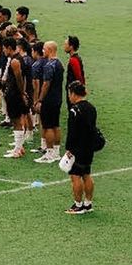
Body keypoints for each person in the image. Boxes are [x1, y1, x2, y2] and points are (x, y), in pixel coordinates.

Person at [64, 81, 97, 214]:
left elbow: (72, 132)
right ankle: (88, 204)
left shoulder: (74, 110)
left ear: (73, 93)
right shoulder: (91, 108)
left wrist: (69, 148)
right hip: (89, 146)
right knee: (87, 174)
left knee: (75, 176)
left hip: (78, 147)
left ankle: (78, 205)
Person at [34, 41, 64, 164]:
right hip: (57, 98)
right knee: (56, 125)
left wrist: (40, 99)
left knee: (48, 126)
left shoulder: (49, 65)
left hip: (48, 99)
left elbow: (46, 84)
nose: (43, 51)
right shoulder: (59, 64)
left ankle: (49, 153)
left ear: (50, 50)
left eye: (44, 49)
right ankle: (56, 152)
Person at [1, 38, 29, 159]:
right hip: (15, 93)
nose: (3, 51)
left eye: (4, 48)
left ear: (9, 48)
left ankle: (17, 150)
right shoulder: (17, 59)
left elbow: (19, 78)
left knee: (16, 121)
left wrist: (22, 93)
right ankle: (19, 148)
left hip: (14, 95)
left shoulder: (15, 61)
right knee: (17, 121)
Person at [64, 35, 85, 108]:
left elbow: (79, 76)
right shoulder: (76, 58)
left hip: (74, 92)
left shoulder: (73, 60)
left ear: (71, 47)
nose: (64, 47)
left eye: (66, 45)